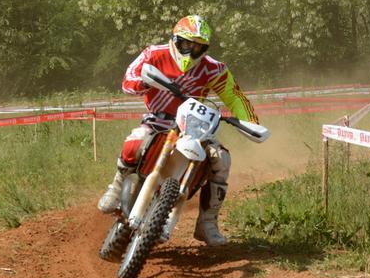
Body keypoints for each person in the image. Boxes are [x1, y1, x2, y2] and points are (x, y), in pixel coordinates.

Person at [97, 15, 259, 247]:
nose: (191, 51)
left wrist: (250, 121)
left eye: (198, 46)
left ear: (205, 48)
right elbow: (128, 80)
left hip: (194, 128)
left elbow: (234, 97)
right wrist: (144, 82)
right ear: (175, 39)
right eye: (186, 44)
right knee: (135, 141)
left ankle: (207, 223)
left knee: (221, 159)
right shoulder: (154, 54)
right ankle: (115, 188)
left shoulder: (214, 69)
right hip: (158, 120)